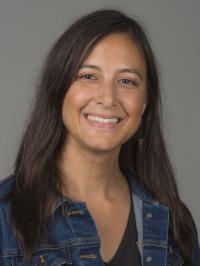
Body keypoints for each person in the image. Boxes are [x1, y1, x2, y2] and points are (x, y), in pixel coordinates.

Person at [0, 9, 199, 266]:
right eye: (89, 76)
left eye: (127, 81)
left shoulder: (173, 222)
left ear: (146, 102)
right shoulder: (5, 218)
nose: (107, 98)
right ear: (58, 89)